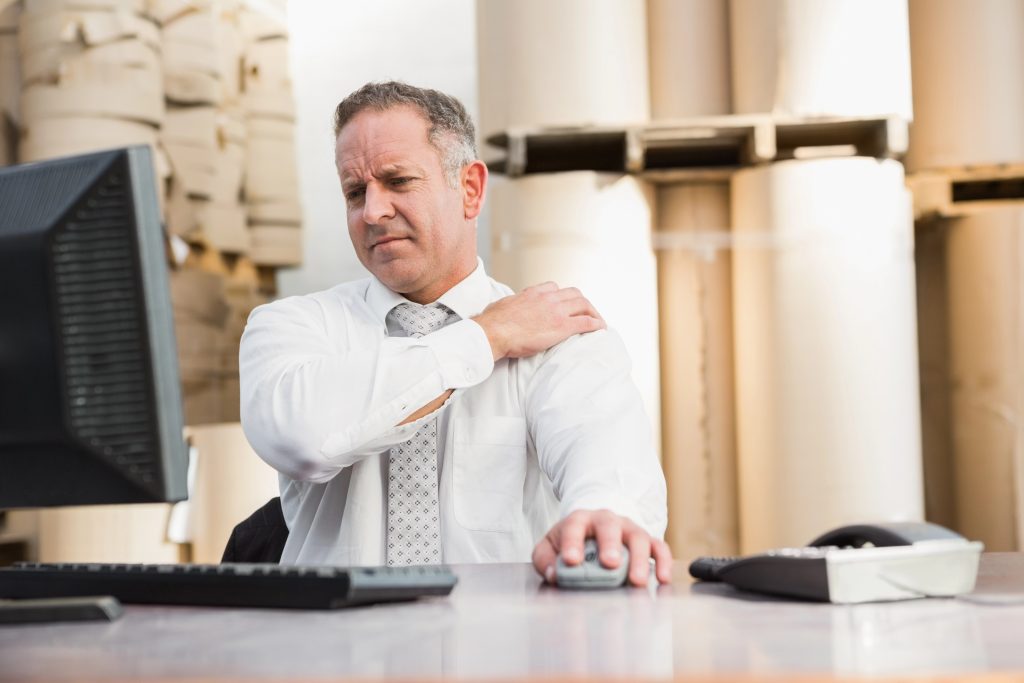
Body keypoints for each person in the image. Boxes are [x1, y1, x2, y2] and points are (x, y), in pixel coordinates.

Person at [240, 81, 671, 586]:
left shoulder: (559, 334)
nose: (372, 212)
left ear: (469, 190)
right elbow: (303, 434)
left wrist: (604, 516)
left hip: (501, 660)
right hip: (338, 658)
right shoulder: (294, 326)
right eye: (356, 191)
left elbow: (607, 461)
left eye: (397, 181)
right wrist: (487, 336)